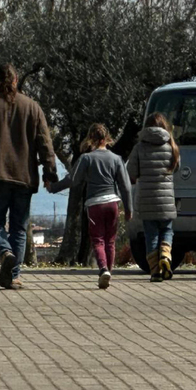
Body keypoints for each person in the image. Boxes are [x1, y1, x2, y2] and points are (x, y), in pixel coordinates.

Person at [0, 63, 58, 289]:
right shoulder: (33, 107)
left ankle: (4, 251)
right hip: (24, 178)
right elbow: (45, 143)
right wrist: (50, 172)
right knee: (19, 227)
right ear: (16, 80)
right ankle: (14, 275)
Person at [71, 123, 132, 289]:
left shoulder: (86, 158)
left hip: (94, 204)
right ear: (107, 139)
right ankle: (109, 274)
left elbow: (75, 180)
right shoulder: (116, 159)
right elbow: (125, 186)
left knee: (97, 240)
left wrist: (55, 187)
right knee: (110, 241)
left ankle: (103, 269)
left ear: (91, 138)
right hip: (112, 203)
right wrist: (128, 209)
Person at [127, 112, 180, 282]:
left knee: (151, 235)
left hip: (146, 200)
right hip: (166, 200)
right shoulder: (171, 145)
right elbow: (177, 168)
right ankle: (165, 255)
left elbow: (131, 173)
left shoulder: (139, 147)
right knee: (167, 230)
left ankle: (155, 272)